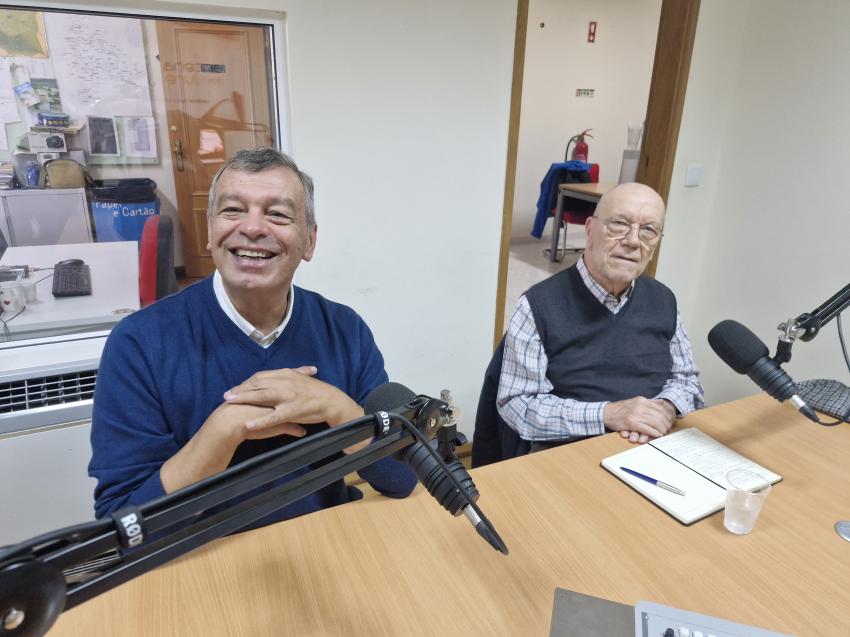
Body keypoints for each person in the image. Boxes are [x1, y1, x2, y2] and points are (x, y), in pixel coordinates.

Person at [89, 147, 416, 528]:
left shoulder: (344, 330)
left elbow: (400, 478)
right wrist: (223, 433)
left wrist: (336, 409)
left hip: (323, 544)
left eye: (277, 214)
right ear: (210, 232)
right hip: (200, 560)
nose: (254, 228)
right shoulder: (138, 345)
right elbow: (122, 523)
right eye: (233, 210)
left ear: (309, 241)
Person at [496, 182, 704, 452]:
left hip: (655, 445)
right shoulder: (537, 305)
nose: (632, 241)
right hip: (573, 452)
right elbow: (517, 405)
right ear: (590, 230)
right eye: (619, 224)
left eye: (649, 230)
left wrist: (664, 408)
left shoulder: (664, 300)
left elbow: (688, 382)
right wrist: (610, 415)